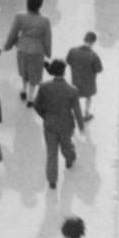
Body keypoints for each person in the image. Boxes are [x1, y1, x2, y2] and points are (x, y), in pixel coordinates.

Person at [33, 58, 84, 189]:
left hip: (49, 123)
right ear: (64, 71)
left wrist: (45, 116)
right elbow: (77, 110)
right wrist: (81, 126)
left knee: (51, 152)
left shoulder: (44, 87)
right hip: (66, 123)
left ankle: (52, 180)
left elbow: (37, 105)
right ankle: (69, 157)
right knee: (66, 145)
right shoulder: (72, 90)